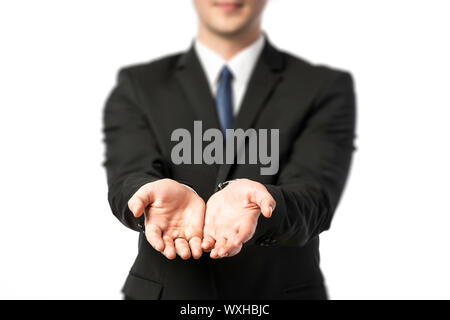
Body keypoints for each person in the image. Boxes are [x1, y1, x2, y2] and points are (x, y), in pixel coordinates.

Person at [103, 0, 356, 299]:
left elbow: (317, 198)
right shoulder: (139, 85)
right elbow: (128, 175)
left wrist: (264, 206)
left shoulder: (323, 87)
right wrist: (147, 191)